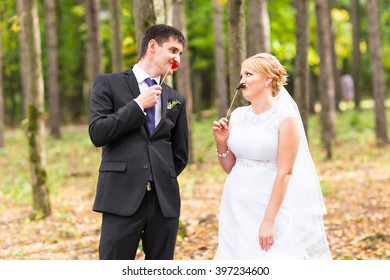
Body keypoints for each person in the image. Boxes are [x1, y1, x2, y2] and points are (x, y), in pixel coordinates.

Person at [212, 53, 331, 259]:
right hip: (235, 203)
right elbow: (230, 166)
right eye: (241, 76)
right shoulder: (238, 116)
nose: (242, 81)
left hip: (268, 204)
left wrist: (269, 220)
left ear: (268, 79)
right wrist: (221, 142)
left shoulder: (286, 119)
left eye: (248, 74)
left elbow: (285, 172)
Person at [89, 24, 189, 260]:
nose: (177, 59)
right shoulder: (108, 84)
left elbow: (180, 153)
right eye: (173, 51)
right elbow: (98, 132)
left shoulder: (176, 98)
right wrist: (137, 106)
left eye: (180, 54)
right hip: (121, 197)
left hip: (163, 202)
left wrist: (160, 176)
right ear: (153, 46)